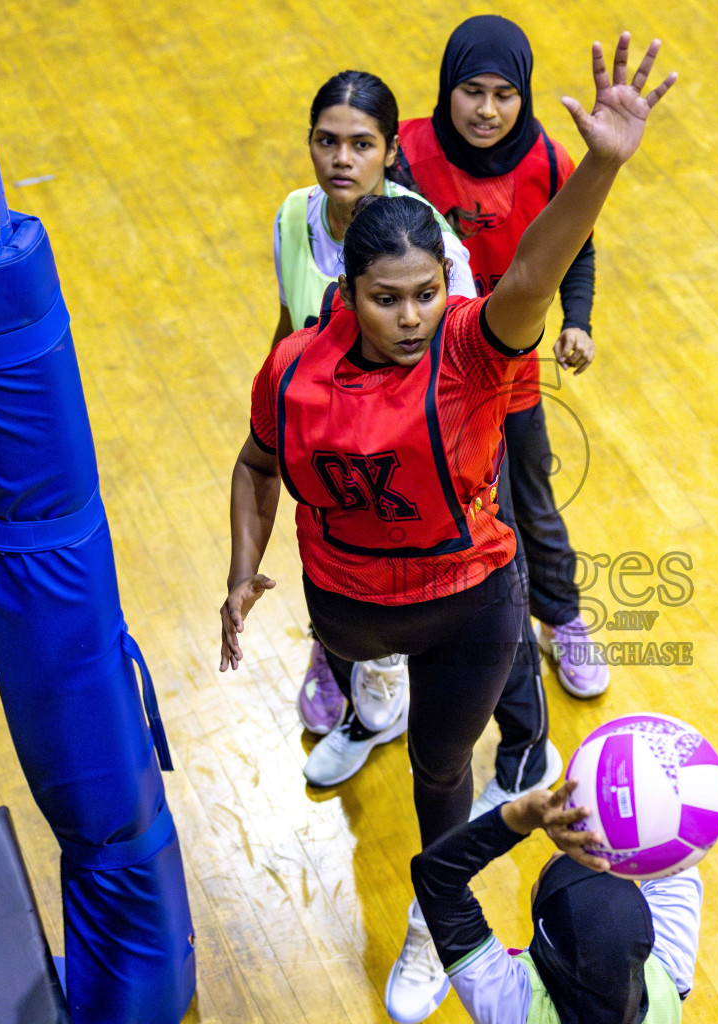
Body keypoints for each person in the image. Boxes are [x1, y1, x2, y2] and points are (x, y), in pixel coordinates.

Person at [221, 32, 676, 1022]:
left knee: (441, 775)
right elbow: (257, 463)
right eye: (389, 299)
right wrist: (239, 571)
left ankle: (436, 928)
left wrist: (601, 163)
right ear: (348, 295)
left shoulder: (469, 351)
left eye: (429, 293)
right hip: (347, 607)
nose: (414, 314)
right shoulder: (293, 363)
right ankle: (366, 701)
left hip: (466, 607)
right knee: (364, 680)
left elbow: (532, 277)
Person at [272, 69, 480, 783]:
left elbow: (466, 364)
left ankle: (504, 728)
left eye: (361, 143)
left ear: (390, 152)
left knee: (454, 604)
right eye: (327, 141)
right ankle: (352, 673)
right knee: (336, 576)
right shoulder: (291, 218)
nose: (342, 159)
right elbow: (289, 323)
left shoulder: (434, 245)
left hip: (419, 460)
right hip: (335, 447)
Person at [397, 15, 610, 701]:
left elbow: (576, 247)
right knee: (448, 518)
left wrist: (576, 321)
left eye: (504, 94)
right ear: (445, 88)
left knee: (534, 507)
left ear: (524, 96)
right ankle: (423, 643)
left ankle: (562, 619)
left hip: (511, 376)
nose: (487, 110)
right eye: (471, 91)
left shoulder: (549, 162)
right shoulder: (405, 156)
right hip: (431, 383)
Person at [411, 780, 703, 1023]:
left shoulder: (516, 1009)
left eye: (547, 870)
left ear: (545, 928)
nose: (557, 852)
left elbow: (435, 878)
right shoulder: (667, 971)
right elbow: (675, 846)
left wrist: (521, 815)